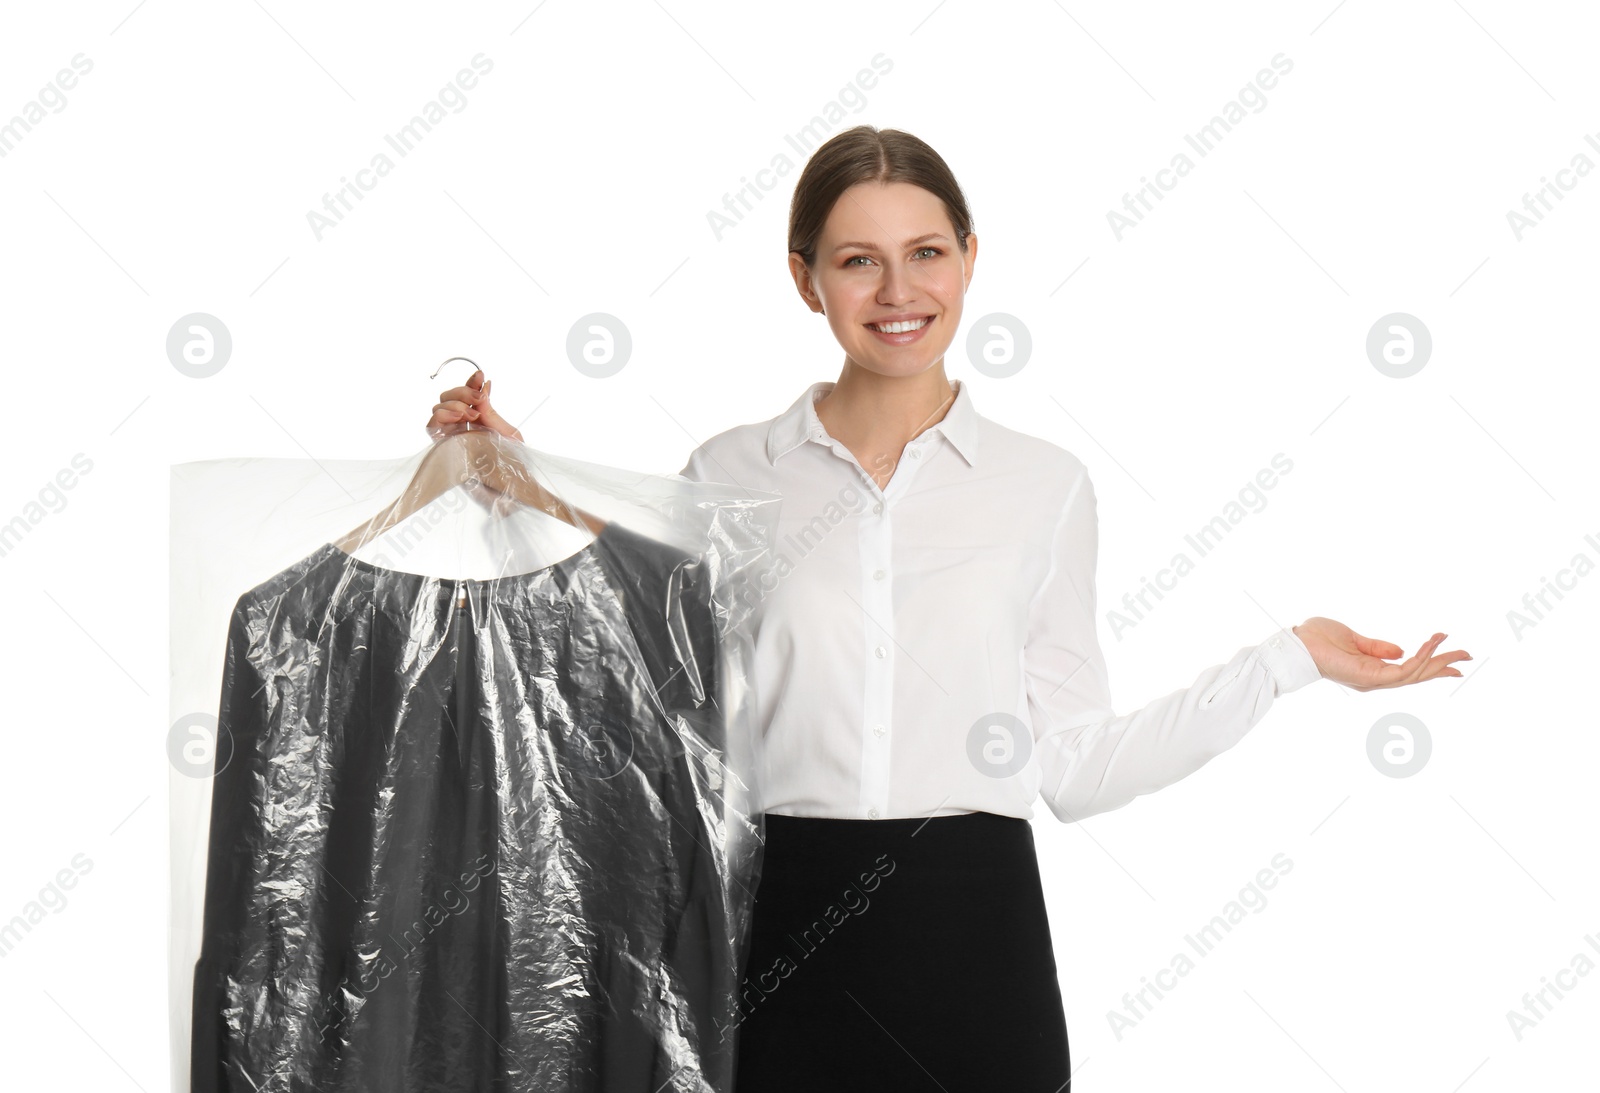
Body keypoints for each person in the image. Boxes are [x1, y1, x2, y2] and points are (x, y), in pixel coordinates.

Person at [427, 125, 1470, 1092]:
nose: (897, 289)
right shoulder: (730, 472)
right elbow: (630, 645)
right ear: (805, 279)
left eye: (926, 252)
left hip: (976, 931)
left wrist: (1289, 660)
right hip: (779, 921)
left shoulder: (1041, 485)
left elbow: (1072, 766)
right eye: (856, 259)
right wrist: (515, 479)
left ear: (969, 257)